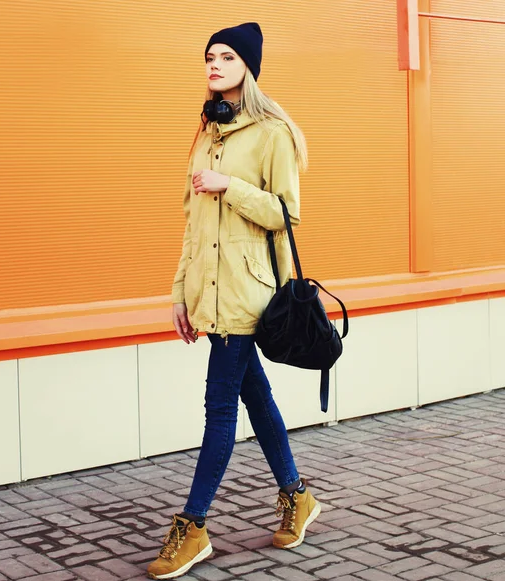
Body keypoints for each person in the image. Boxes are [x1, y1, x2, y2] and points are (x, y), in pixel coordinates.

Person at [147, 22, 321, 580]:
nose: (214, 65)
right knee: (255, 397)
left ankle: (192, 525)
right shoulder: (205, 133)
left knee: (219, 405)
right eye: (208, 57)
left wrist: (231, 187)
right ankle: (297, 496)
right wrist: (180, 293)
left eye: (226, 57)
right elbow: (192, 226)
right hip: (210, 292)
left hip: (250, 293)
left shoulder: (273, 133)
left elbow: (286, 214)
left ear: (248, 66)